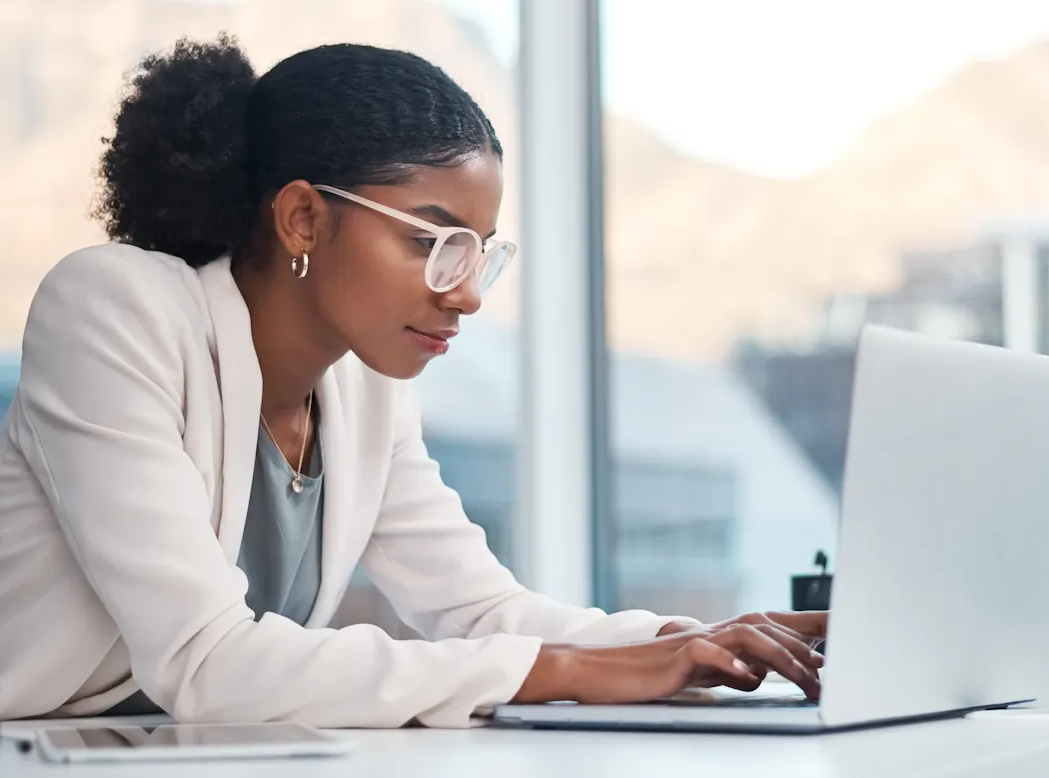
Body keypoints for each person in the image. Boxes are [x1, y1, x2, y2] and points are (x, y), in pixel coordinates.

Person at [0, 35, 826, 728]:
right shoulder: (112, 308)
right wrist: (571, 669)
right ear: (303, 218)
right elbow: (208, 662)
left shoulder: (364, 389)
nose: (465, 292)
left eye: (479, 253)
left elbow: (479, 611)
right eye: (433, 241)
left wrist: (693, 639)